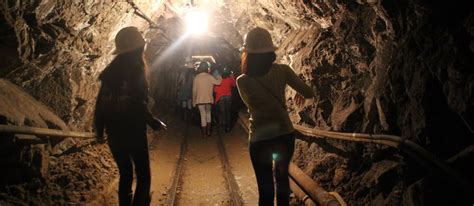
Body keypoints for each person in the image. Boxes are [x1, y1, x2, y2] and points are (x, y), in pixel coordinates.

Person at [236, 27, 315, 206]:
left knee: (265, 189)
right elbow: (309, 92)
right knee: (282, 182)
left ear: (247, 53)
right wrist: (301, 91)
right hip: (284, 135)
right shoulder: (283, 71)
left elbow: (252, 106)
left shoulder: (242, 81)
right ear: (270, 50)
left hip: (260, 139)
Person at [94, 26, 166, 206]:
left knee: (125, 174)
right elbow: (137, 103)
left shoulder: (109, 74)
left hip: (114, 134)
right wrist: (153, 122)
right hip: (133, 132)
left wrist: (100, 130)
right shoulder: (136, 70)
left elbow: (100, 104)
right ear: (139, 48)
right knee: (143, 176)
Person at [192, 60, 222, 136]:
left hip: (200, 100)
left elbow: (194, 91)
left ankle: (204, 133)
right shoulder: (210, 77)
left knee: (202, 115)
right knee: (208, 114)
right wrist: (219, 76)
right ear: (207, 68)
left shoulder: (197, 78)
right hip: (208, 99)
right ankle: (209, 132)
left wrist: (193, 101)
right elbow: (218, 82)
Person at [214, 68, 236, 133]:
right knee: (228, 112)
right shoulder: (229, 79)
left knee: (222, 112)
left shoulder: (219, 80)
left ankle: (223, 126)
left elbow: (215, 90)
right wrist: (232, 77)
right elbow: (234, 85)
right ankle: (228, 127)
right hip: (228, 97)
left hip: (221, 98)